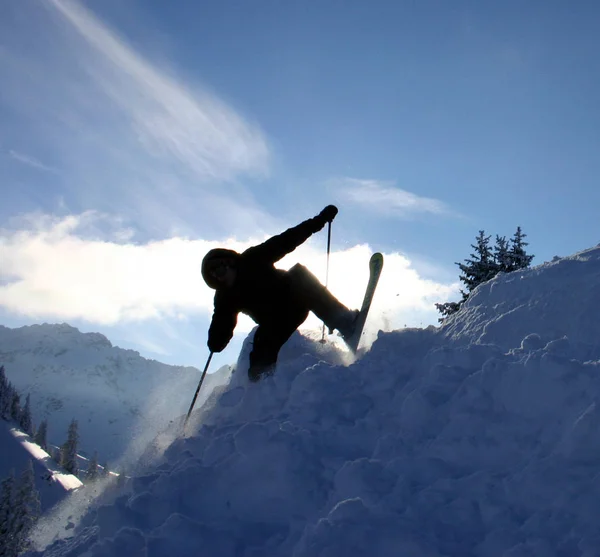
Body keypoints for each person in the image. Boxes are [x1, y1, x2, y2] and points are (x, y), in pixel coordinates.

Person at [201, 205, 358, 381]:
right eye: (214, 276)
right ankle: (261, 383)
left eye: (219, 269)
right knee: (261, 345)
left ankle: (344, 322)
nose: (219, 276)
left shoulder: (253, 258)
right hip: (274, 323)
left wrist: (320, 220)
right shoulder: (225, 298)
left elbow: (286, 240)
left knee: (299, 275)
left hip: (294, 300)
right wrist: (215, 343)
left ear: (229, 262)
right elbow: (222, 324)